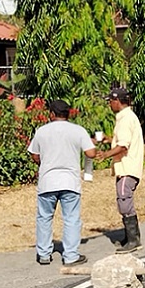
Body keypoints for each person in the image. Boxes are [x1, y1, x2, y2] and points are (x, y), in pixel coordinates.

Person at [28, 100, 96, 266]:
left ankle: (44, 254)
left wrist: (44, 162)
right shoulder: (78, 131)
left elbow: (35, 155)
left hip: (47, 182)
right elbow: (91, 153)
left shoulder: (42, 131)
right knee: (71, 218)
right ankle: (71, 256)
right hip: (70, 182)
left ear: (52, 114)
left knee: (44, 218)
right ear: (69, 113)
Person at [97, 87, 145, 253]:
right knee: (123, 201)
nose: (110, 104)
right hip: (125, 167)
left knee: (124, 201)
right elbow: (123, 140)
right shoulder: (125, 117)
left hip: (127, 167)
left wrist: (106, 154)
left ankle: (134, 239)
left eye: (110, 101)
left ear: (117, 101)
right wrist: (109, 140)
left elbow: (124, 146)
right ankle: (129, 237)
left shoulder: (125, 119)